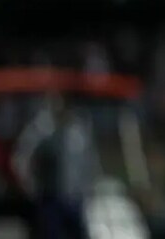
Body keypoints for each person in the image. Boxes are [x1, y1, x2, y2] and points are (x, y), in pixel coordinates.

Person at [12, 94, 100, 239]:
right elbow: (21, 159)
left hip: (75, 198)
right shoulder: (40, 128)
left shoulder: (79, 130)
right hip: (50, 198)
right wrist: (30, 186)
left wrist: (88, 188)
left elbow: (90, 160)